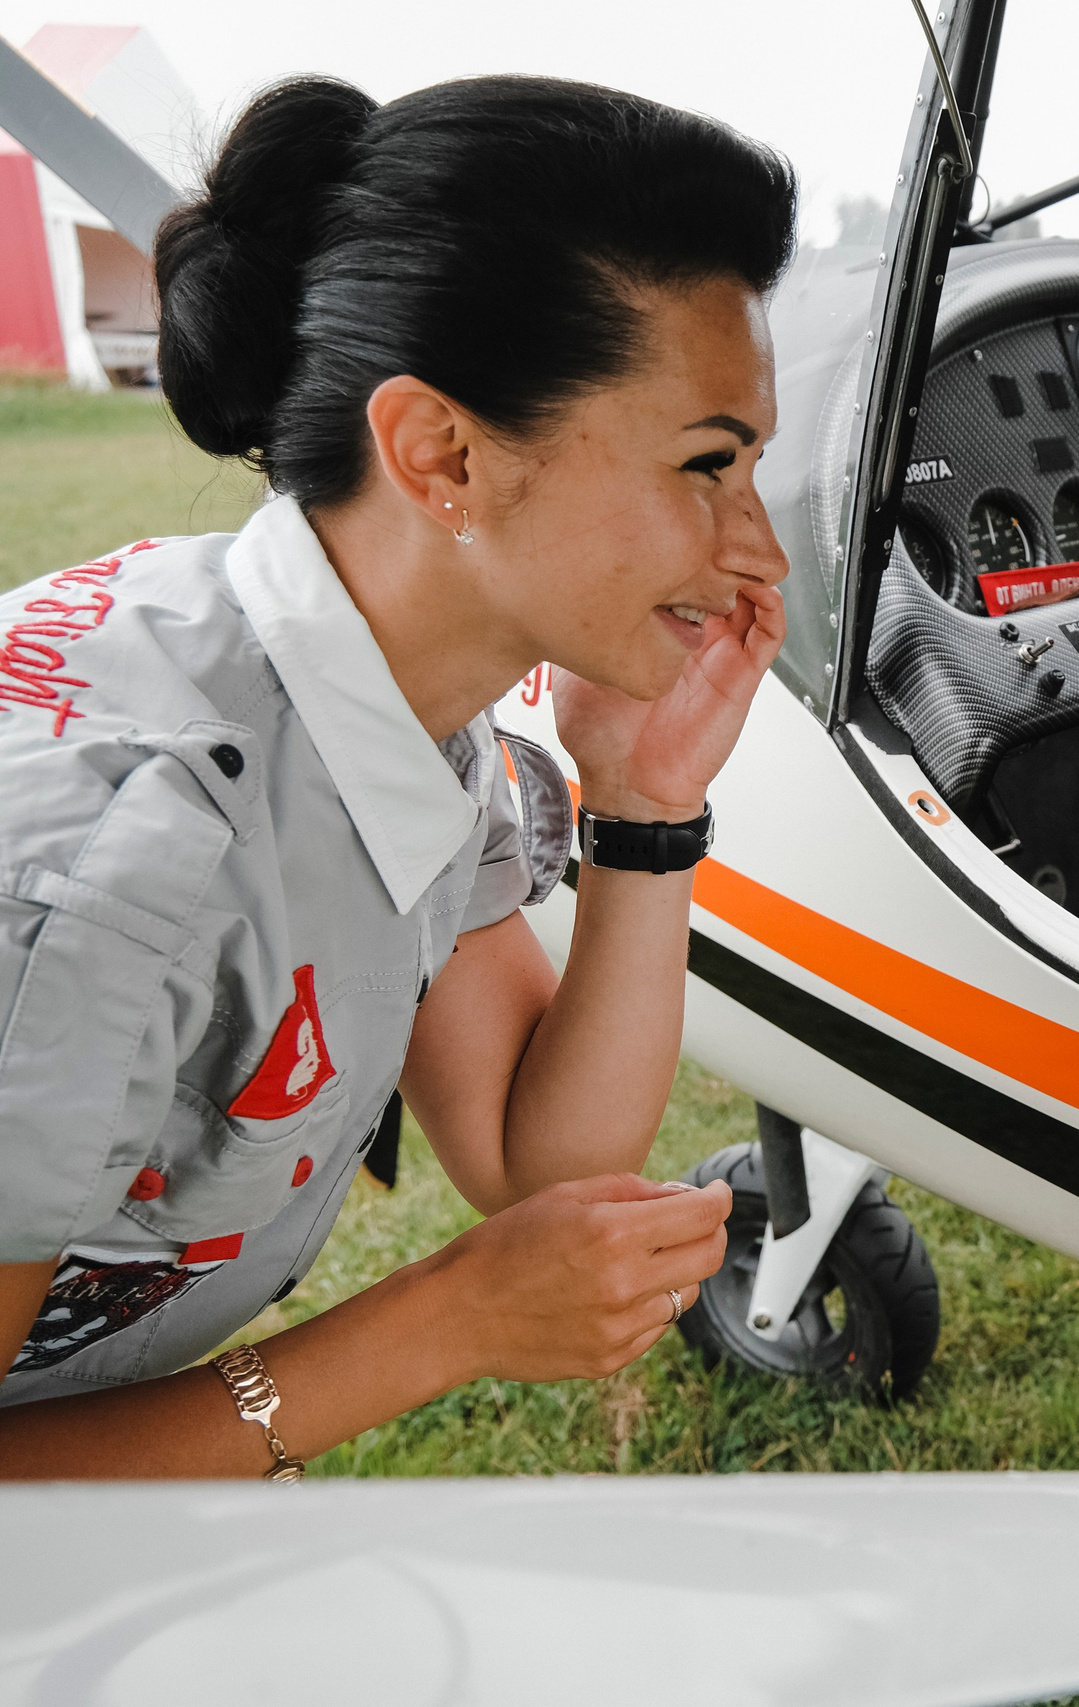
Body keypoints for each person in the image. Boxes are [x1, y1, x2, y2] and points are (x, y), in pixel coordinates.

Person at [0, 74, 797, 1475]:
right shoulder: (98, 879)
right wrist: (446, 1318)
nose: (759, 556)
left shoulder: (392, 696)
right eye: (705, 466)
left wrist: (645, 812)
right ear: (443, 455)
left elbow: (533, 1157)